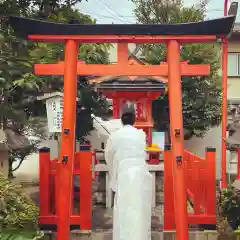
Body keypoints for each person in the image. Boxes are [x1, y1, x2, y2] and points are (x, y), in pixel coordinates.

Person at [105, 102, 153, 240]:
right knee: (140, 211)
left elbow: (109, 155)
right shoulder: (141, 135)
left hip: (124, 176)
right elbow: (144, 154)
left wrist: (114, 170)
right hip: (140, 176)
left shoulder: (114, 136)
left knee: (124, 211)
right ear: (134, 119)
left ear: (121, 119)